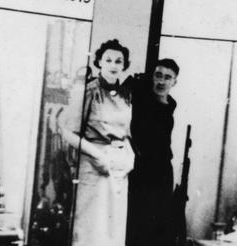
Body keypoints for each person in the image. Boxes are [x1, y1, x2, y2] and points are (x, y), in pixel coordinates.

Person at [61, 39, 134, 246]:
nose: (113, 65)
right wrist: (97, 154)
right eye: (108, 60)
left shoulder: (126, 95)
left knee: (114, 229)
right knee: (91, 227)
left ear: (124, 66)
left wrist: (130, 157)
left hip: (119, 167)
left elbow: (125, 132)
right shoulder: (88, 91)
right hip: (94, 166)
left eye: (118, 61)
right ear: (99, 62)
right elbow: (68, 132)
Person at [126, 58, 179, 246]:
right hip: (141, 169)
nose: (161, 81)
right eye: (158, 75)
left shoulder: (171, 105)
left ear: (174, 81)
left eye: (167, 77)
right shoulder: (141, 100)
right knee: (138, 224)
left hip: (163, 172)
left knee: (161, 226)